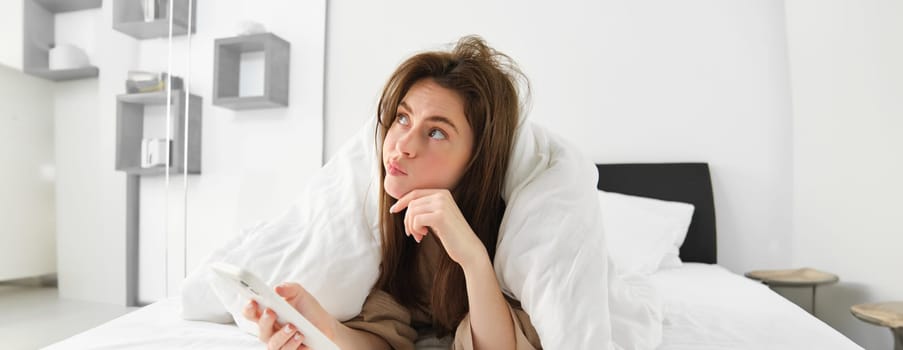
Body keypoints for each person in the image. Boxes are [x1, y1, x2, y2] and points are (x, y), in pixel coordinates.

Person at [241, 35, 542, 350]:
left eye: (436, 132)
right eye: (402, 118)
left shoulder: (515, 230)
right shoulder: (382, 220)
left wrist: (474, 259)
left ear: (476, 159)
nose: (402, 145)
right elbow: (385, 336)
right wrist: (324, 331)